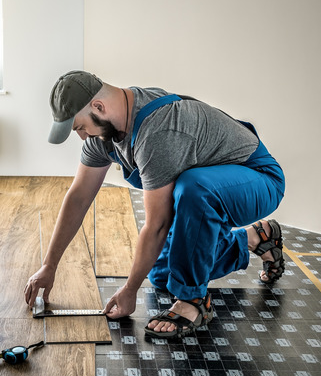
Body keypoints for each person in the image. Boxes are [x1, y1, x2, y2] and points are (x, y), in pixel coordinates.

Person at [23, 70, 285, 338]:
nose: (82, 136)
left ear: (99, 107)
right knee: (163, 277)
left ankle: (193, 303)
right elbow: (78, 197)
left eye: (80, 127)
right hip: (211, 187)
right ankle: (255, 238)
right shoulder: (106, 132)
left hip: (257, 180)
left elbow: (157, 226)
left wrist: (129, 290)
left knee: (194, 188)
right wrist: (49, 265)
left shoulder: (157, 131)